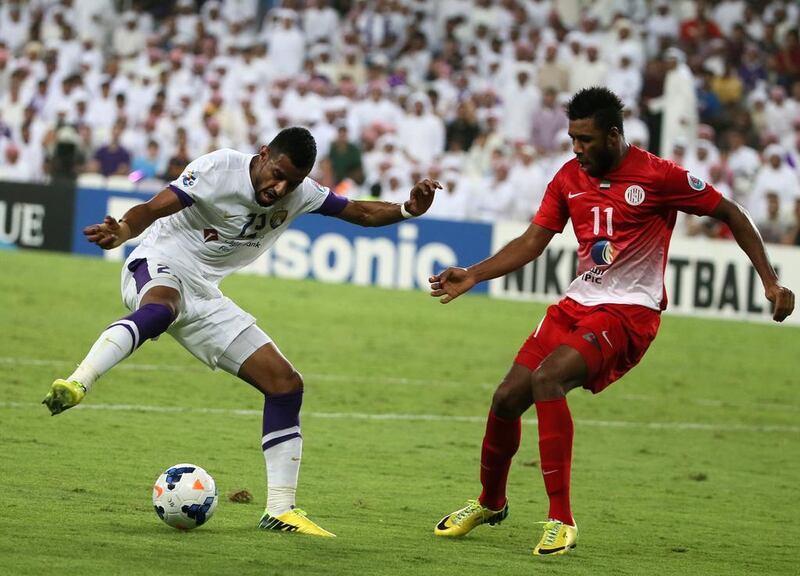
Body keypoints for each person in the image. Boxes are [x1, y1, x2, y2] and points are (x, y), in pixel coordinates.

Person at [429, 88, 795, 556]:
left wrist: (770, 280)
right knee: (505, 398)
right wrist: (474, 273)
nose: (576, 148)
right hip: (577, 303)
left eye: (585, 139)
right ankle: (490, 502)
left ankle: (561, 520)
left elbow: (731, 212)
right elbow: (534, 239)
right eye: (572, 138)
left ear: (614, 135)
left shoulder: (659, 176)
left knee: (548, 380)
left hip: (630, 312)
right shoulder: (567, 176)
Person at [42, 127, 441, 537]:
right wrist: (124, 230)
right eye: (278, 173)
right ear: (264, 154)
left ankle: (280, 510)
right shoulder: (220, 168)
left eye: (293, 181)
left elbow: (361, 211)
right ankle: (78, 382)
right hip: (159, 261)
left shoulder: (300, 192)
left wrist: (407, 209)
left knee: (285, 384)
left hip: (206, 294)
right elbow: (154, 207)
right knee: (162, 307)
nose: (281, 187)